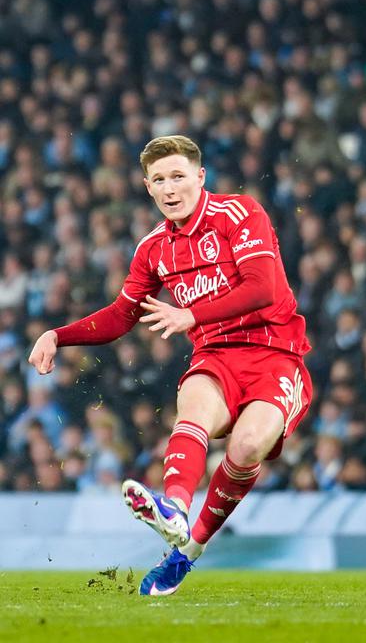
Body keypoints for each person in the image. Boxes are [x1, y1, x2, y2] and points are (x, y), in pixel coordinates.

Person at [27, 135, 312, 595]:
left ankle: (187, 553)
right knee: (193, 405)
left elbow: (264, 288)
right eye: (159, 180)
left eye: (178, 176)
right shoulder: (153, 248)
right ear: (147, 187)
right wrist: (58, 335)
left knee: (247, 447)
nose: (170, 188)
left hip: (275, 354)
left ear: (201, 178)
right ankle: (175, 508)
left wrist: (192, 314)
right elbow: (122, 315)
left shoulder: (240, 213)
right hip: (215, 355)